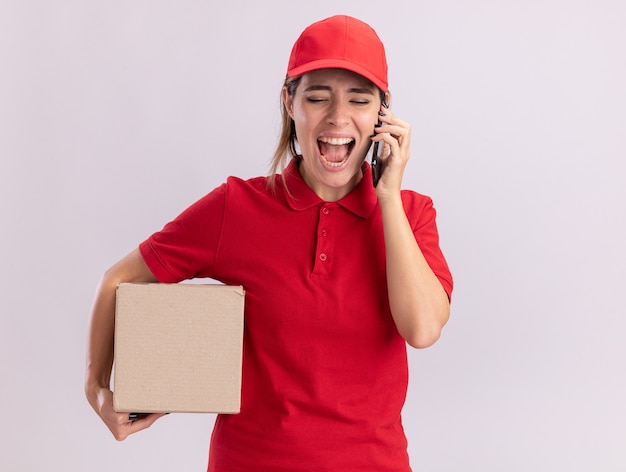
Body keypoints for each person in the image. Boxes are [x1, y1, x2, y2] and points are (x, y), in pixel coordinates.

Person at [85, 14, 453, 472]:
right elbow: (117, 280)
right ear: (289, 103)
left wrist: (387, 196)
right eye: (317, 97)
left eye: (359, 100)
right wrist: (97, 388)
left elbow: (422, 330)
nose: (338, 117)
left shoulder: (411, 214)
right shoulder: (235, 208)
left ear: (382, 114)